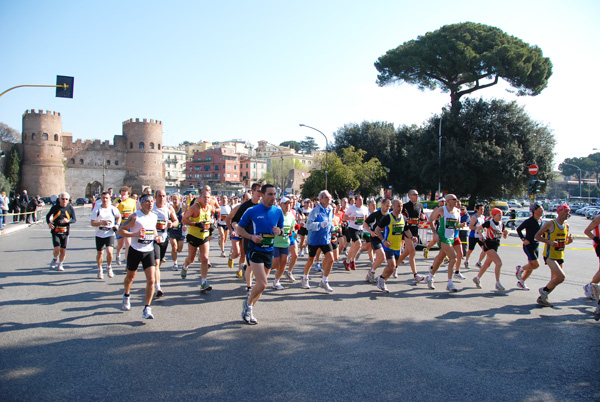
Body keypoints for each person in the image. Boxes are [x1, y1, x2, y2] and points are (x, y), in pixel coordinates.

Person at [236, 184, 284, 325]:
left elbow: (282, 229)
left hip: (269, 251)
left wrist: (279, 232)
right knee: (263, 284)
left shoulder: (278, 212)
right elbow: (239, 228)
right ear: (262, 195)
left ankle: (249, 308)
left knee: (260, 287)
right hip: (255, 250)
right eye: (270, 194)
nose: (273, 197)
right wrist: (251, 237)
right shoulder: (252, 211)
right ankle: (248, 304)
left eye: (274, 194)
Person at [117, 193, 158, 319]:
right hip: (135, 250)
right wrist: (135, 235)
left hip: (148, 251)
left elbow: (153, 231)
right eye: (147, 201)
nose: (150, 204)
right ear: (141, 203)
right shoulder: (135, 217)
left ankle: (147, 308)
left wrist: (158, 237)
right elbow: (120, 231)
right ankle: (126, 295)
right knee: (130, 277)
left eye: (152, 201)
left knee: (151, 280)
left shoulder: (154, 216)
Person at [534, 203, 573, 307]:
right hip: (550, 255)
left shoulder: (566, 225)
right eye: (565, 211)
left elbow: (565, 241)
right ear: (559, 212)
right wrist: (549, 242)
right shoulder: (550, 224)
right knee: (561, 277)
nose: (567, 214)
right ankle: (544, 290)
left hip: (560, 255)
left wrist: (569, 241)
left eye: (568, 212)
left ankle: (542, 298)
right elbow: (537, 236)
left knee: (555, 280)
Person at [181, 189, 216, 291]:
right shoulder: (194, 208)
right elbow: (184, 219)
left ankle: (204, 282)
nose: (206, 199)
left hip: (204, 236)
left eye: (208, 197)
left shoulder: (210, 208)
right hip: (193, 236)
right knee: (191, 259)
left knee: (204, 258)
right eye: (204, 197)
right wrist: (196, 224)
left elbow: (211, 218)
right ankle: (185, 266)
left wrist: (211, 224)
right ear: (200, 198)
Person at [301, 190, 335, 292]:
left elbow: (330, 222)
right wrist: (319, 225)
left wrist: (332, 227)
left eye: (329, 197)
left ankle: (324, 281)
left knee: (331, 259)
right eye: (326, 197)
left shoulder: (330, 209)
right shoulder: (315, 211)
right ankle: (305, 278)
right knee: (311, 261)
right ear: (320, 200)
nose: (328, 199)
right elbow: (308, 225)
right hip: (314, 239)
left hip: (326, 239)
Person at [373, 199, 411, 292]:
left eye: (401, 206)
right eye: (398, 206)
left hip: (398, 246)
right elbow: (377, 230)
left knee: (393, 268)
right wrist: (383, 240)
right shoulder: (388, 217)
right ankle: (381, 279)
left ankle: (382, 281)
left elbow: (406, 230)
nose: (400, 208)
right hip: (388, 246)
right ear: (393, 207)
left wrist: (412, 237)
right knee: (391, 265)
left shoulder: (403, 218)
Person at [229, 183, 262, 290]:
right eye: (258, 191)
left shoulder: (264, 205)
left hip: (263, 238)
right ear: (252, 192)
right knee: (251, 263)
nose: (260, 194)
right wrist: (237, 228)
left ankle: (247, 271)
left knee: (261, 263)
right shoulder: (245, 206)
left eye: (262, 191)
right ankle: (249, 287)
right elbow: (234, 220)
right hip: (248, 237)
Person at [425, 194, 460, 292]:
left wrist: (461, 225)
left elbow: (456, 225)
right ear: (448, 201)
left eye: (456, 199)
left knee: (439, 259)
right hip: (442, 237)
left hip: (451, 237)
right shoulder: (441, 210)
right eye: (454, 199)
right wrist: (435, 233)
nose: (456, 201)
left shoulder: (457, 211)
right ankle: (449, 283)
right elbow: (431, 219)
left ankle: (430, 277)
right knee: (454, 257)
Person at [472, 208, 509, 291]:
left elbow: (503, 236)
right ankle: (498, 283)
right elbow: (478, 228)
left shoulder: (501, 224)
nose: (500, 217)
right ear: (494, 215)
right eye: (499, 215)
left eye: (501, 215)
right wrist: (481, 235)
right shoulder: (489, 223)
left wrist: (505, 234)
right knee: (499, 263)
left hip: (496, 245)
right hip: (488, 244)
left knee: (487, 264)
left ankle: (477, 278)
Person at [152, 189, 178, 298]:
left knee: (159, 263)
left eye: (163, 196)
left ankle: (154, 278)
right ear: (155, 197)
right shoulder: (151, 207)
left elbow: (176, 221)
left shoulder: (168, 207)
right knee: (156, 262)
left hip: (164, 238)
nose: (161, 198)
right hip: (152, 238)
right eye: (159, 196)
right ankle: (158, 287)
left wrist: (171, 224)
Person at [397, 189, 426, 282]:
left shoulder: (420, 205)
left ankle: (394, 266)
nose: (417, 196)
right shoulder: (405, 206)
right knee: (412, 252)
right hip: (406, 231)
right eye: (415, 194)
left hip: (415, 231)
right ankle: (415, 275)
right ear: (410, 196)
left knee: (406, 252)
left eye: (418, 194)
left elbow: (422, 217)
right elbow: (400, 217)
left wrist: (423, 217)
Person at [90, 191, 121, 279]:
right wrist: (100, 223)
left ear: (110, 199)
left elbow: (119, 216)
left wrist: (117, 225)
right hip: (99, 234)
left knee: (110, 252)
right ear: (101, 198)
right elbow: (92, 223)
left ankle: (109, 267)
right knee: (100, 253)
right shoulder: (97, 209)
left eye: (107, 198)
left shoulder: (113, 209)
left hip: (109, 233)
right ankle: (100, 269)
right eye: (103, 198)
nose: (105, 200)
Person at [515, 203, 544, 290]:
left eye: (542, 209)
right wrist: (523, 239)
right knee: (536, 265)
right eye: (540, 209)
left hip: (536, 245)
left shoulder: (541, 221)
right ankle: (520, 268)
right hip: (529, 246)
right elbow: (519, 229)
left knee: (531, 265)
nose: (542, 210)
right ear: (535, 210)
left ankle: (522, 282)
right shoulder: (530, 220)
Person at [46, 192, 77, 271]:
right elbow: (48, 216)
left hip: (65, 232)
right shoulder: (55, 207)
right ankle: (55, 258)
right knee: (57, 248)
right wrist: (49, 223)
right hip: (55, 231)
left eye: (66, 199)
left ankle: (60, 264)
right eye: (63, 199)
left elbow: (74, 219)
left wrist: (68, 221)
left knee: (63, 250)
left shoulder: (70, 208)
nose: (64, 200)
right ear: (59, 199)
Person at [271, 197, 295, 290]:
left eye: (289, 204)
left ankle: (276, 281)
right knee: (275, 264)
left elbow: (291, 229)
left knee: (284, 263)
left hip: (285, 243)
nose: (287, 205)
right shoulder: (276, 215)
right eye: (285, 204)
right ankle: (260, 273)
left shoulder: (291, 216)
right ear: (280, 205)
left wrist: (293, 234)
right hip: (275, 243)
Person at [364, 198, 390, 283]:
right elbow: (365, 223)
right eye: (386, 206)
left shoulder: (389, 216)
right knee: (382, 257)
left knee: (382, 258)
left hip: (385, 239)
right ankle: (371, 273)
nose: (387, 208)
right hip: (375, 238)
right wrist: (370, 231)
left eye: (389, 207)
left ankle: (372, 271)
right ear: (382, 204)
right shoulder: (375, 215)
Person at [342, 195, 368, 270]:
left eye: (361, 199)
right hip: (352, 229)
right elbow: (344, 217)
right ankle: (353, 260)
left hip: (360, 229)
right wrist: (350, 218)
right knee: (359, 244)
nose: (361, 201)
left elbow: (366, 219)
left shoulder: (365, 208)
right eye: (359, 200)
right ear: (355, 201)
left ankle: (347, 261)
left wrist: (366, 224)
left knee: (353, 247)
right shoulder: (351, 208)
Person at [114, 186, 137, 266]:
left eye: (125, 193)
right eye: (122, 192)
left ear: (128, 194)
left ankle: (127, 263)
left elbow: (134, 211)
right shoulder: (117, 200)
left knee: (128, 243)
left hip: (129, 223)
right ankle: (117, 255)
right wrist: (120, 200)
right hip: (120, 223)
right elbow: (113, 208)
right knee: (120, 244)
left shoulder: (132, 201)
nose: (123, 194)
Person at [583, 213, 600, 320]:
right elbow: (587, 231)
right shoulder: (598, 218)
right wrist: (596, 239)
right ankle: (590, 286)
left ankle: (590, 286)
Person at [465, 204, 486, 269]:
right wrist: (478, 228)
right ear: (477, 210)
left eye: (483, 209)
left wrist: (483, 229)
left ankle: (479, 262)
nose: (482, 211)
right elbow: (470, 227)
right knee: (470, 250)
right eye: (480, 209)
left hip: (480, 236)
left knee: (485, 249)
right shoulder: (474, 217)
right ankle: (466, 261)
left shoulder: (483, 217)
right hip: (473, 236)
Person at [168, 193, 186, 271]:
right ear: (171, 199)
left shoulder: (183, 207)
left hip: (181, 231)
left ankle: (175, 258)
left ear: (179, 200)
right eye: (173, 199)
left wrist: (185, 224)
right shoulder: (169, 207)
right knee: (174, 246)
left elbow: (186, 216)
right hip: (172, 230)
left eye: (176, 199)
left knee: (179, 249)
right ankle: (175, 263)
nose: (175, 201)